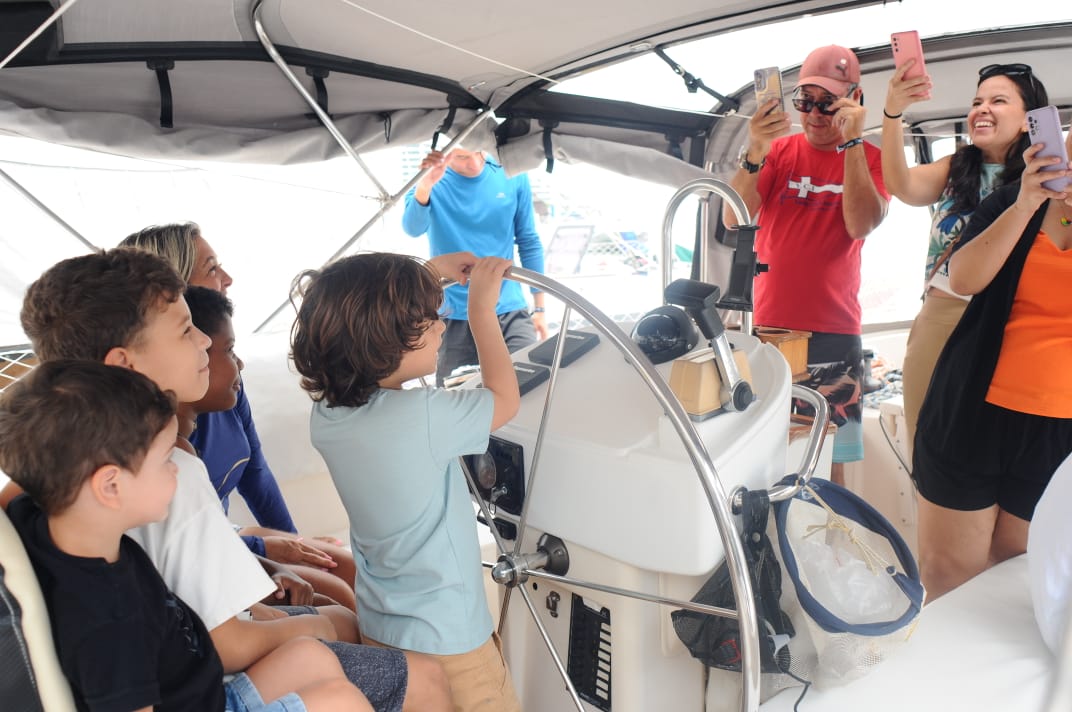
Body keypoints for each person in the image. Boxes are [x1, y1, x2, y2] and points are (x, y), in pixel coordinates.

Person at [9, 248, 451, 712]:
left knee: (325, 631)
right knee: (416, 678)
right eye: (185, 330)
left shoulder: (49, 484)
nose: (204, 341)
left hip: (195, 656)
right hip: (209, 678)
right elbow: (225, 643)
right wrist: (315, 623)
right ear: (124, 365)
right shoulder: (175, 480)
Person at [0, 360, 370, 712]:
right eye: (165, 460)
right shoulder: (107, 620)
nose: (179, 471)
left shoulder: (48, 519)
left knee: (311, 654)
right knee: (340, 700)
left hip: (203, 689)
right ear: (110, 485)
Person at [290, 251, 523, 712]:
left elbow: (358, 304)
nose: (440, 326)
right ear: (382, 342)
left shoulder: (327, 417)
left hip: (384, 630)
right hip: (453, 640)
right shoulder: (425, 416)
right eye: (427, 321)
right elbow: (505, 398)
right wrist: (480, 312)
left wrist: (430, 272)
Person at [121, 223, 358, 611]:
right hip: (199, 556)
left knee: (341, 566)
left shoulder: (225, 383)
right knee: (336, 598)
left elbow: (255, 472)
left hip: (225, 536)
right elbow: (173, 541)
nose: (227, 279)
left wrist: (293, 545)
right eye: (211, 268)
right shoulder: (157, 426)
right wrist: (265, 549)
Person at [912, 127, 1072, 600]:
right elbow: (963, 277)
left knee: (1012, 577)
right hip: (972, 412)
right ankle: (944, 672)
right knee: (947, 573)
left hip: (1058, 433)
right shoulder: (1011, 201)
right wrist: (1025, 204)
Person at [725, 45, 890, 486]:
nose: (815, 114)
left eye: (828, 102)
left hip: (835, 332)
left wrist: (852, 141)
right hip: (771, 331)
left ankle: (828, 547)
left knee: (826, 460)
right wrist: (756, 148)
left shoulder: (872, 159)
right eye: (805, 101)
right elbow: (731, 216)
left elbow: (860, 224)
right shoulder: (778, 153)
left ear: (854, 99)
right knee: (767, 455)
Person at [882, 62, 1049, 452]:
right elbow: (901, 185)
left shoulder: (1044, 178)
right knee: (926, 442)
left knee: (987, 447)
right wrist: (892, 113)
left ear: (1028, 121)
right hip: (943, 315)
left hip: (1009, 320)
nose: (981, 109)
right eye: (977, 102)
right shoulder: (955, 167)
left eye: (998, 100)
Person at [402, 148, 548, 385]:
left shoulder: (511, 174)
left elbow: (529, 241)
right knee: (455, 397)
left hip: (509, 308)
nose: (473, 164)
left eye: (478, 154)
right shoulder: (431, 180)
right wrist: (426, 184)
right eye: (461, 157)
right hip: (453, 313)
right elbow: (412, 227)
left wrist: (540, 310)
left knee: (532, 386)